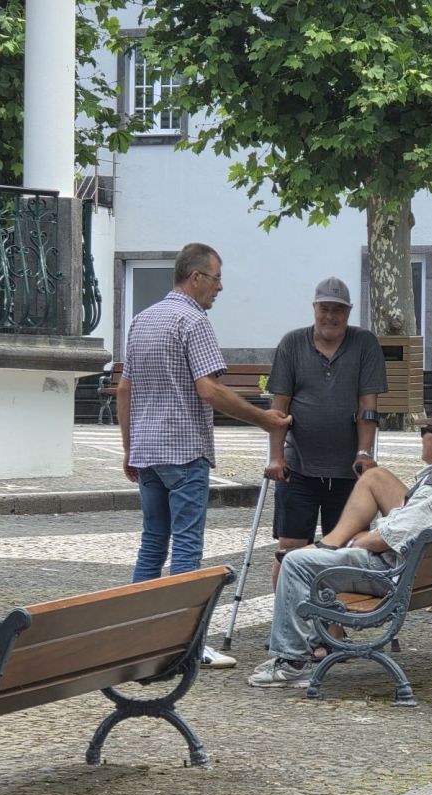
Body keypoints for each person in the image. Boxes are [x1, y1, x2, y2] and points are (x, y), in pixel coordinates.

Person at [117, 242, 291, 669]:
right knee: (188, 549)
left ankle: (140, 640)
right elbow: (209, 391)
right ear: (196, 278)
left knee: (152, 544)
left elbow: (125, 388)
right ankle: (185, 645)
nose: (220, 287)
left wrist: (129, 447)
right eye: (216, 279)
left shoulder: (142, 320)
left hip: (148, 452)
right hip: (184, 449)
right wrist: (265, 419)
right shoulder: (192, 321)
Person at [249, 406, 432, 689]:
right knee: (312, 557)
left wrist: (355, 541)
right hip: (431, 573)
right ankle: (312, 642)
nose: (420, 439)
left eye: (423, 433)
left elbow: (387, 538)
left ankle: (291, 663)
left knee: (297, 562)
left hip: (391, 573)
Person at [265, 276, 387, 589]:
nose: (330, 316)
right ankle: (285, 626)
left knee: (343, 550)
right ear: (314, 308)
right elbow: (279, 409)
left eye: (338, 310)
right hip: (298, 467)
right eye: (324, 308)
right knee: (289, 550)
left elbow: (368, 406)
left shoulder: (364, 344)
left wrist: (364, 453)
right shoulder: (292, 343)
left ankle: (332, 628)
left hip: (348, 471)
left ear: (348, 312)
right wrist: (276, 457)